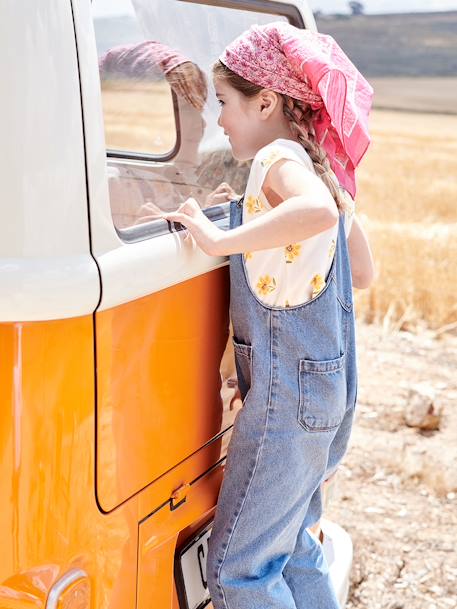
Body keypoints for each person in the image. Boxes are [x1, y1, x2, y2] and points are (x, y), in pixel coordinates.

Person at [163, 21, 375, 609]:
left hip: (287, 403)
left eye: (226, 103)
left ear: (266, 101)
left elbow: (309, 212)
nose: (220, 120)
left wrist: (214, 238)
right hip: (327, 396)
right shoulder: (321, 166)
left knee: (240, 571)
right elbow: (361, 272)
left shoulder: (277, 159)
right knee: (295, 547)